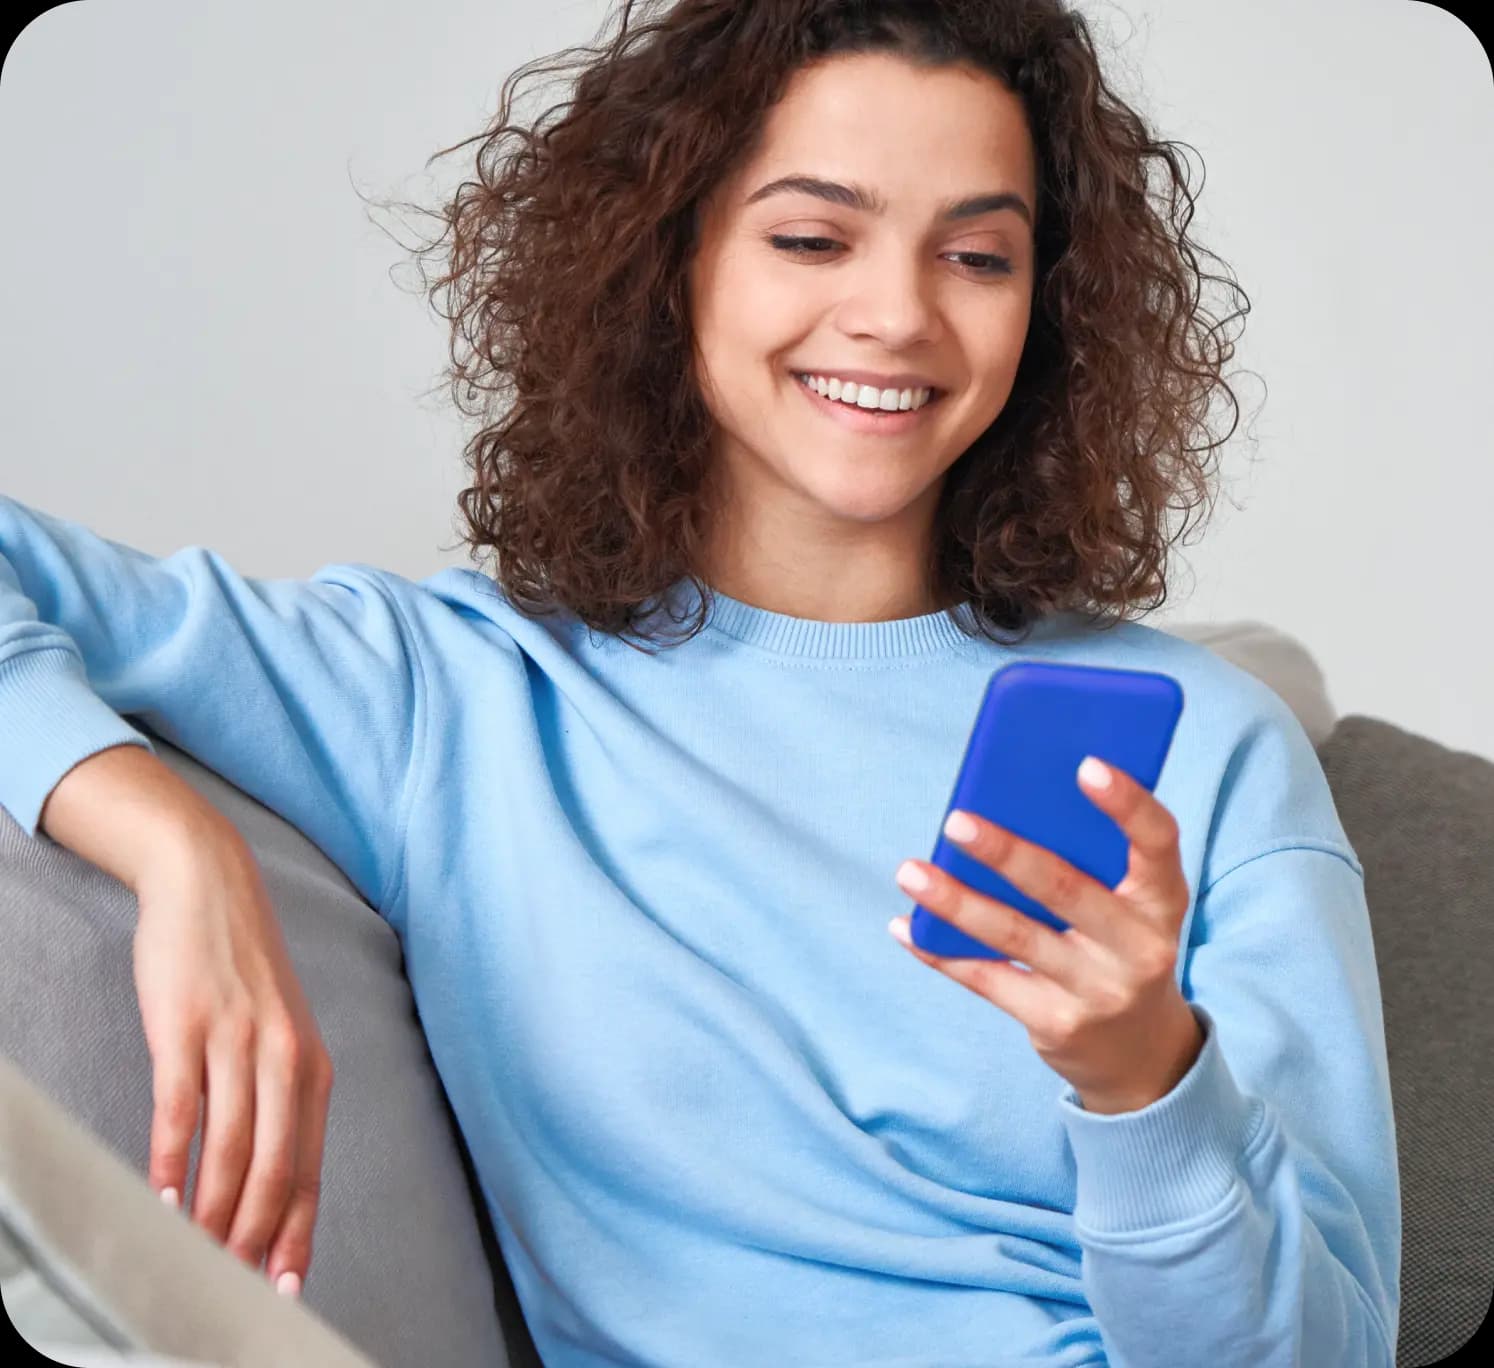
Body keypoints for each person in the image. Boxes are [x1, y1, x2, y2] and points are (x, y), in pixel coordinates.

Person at [0, 1, 1400, 1364]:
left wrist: (1141, 1080)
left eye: (976, 257)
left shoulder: (1211, 750)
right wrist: (169, 844)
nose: (898, 314)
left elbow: (1328, 1347)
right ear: (667, 262)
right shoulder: (454, 693)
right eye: (810, 237)